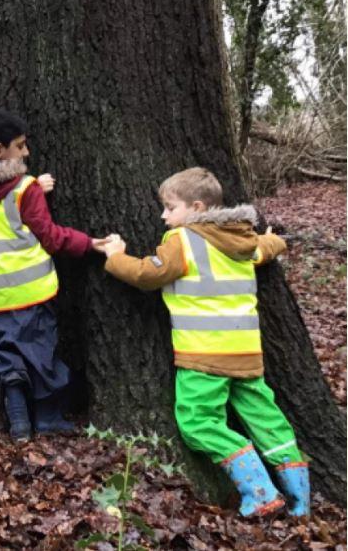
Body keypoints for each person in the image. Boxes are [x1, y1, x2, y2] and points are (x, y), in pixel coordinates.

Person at [99, 167, 309, 518]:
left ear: (196, 207)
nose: (164, 215)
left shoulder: (183, 240)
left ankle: (259, 491)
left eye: (170, 207)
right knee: (266, 419)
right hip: (245, 352)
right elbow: (263, 248)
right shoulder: (241, 238)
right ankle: (301, 498)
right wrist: (278, 240)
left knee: (197, 422)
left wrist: (115, 256)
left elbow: (147, 275)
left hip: (204, 353)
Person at [0, 107, 103, 441]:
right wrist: (89, 243)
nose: (27, 152)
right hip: (31, 292)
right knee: (40, 355)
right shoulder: (24, 188)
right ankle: (47, 419)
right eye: (21, 145)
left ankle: (18, 425)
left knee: (5, 358)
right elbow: (51, 237)